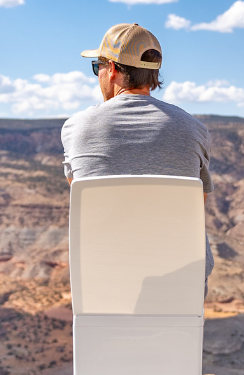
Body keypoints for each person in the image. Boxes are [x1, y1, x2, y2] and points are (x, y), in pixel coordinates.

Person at [61, 22, 215, 283]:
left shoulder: (76, 128)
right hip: (180, 284)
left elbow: (83, 197)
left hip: (102, 281)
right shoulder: (194, 130)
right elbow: (194, 206)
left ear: (111, 69)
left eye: (97, 66)